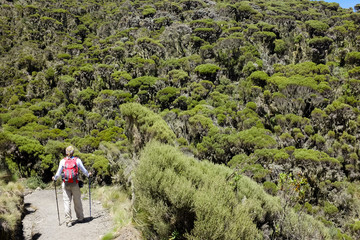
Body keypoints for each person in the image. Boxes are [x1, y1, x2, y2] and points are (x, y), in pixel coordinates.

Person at [52, 146, 91, 227]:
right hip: (75, 183)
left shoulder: (62, 161)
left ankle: (68, 221)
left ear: (66, 152)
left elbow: (58, 173)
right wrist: (88, 175)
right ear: (73, 152)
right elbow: (84, 170)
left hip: (65, 184)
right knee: (77, 201)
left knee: (67, 202)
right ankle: (80, 218)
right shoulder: (77, 160)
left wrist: (54, 178)